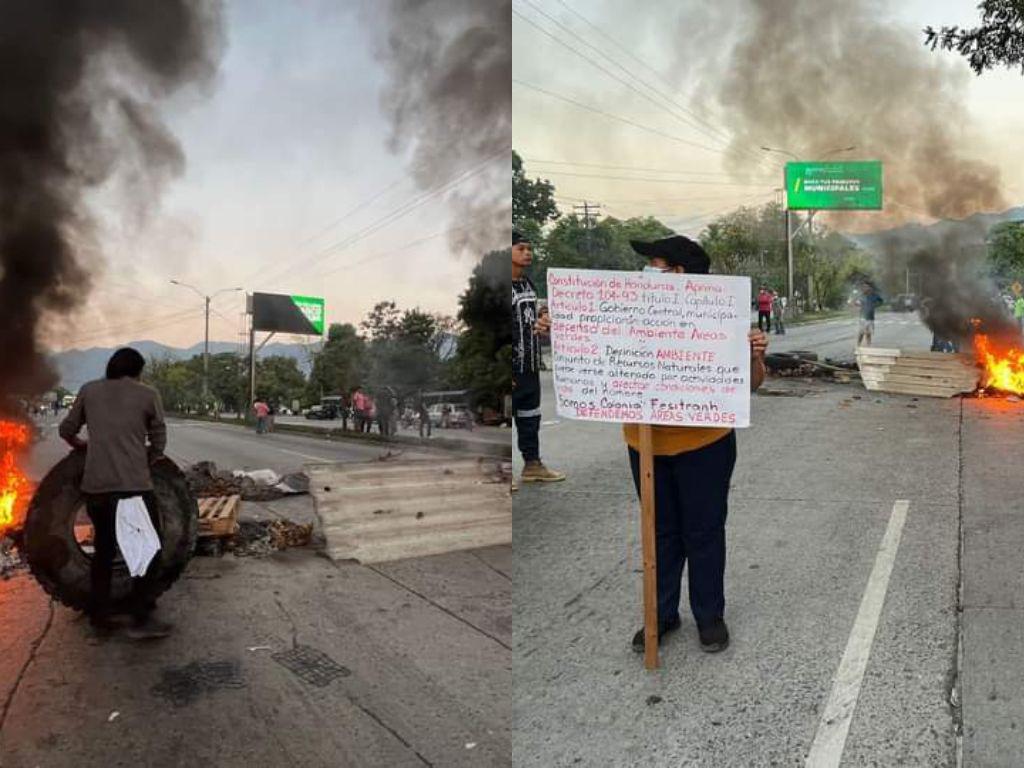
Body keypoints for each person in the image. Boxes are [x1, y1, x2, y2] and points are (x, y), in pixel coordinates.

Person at [625, 235, 769, 654]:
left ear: (679, 274)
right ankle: (662, 615)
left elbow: (752, 385)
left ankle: (709, 616)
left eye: (655, 264)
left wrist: (755, 355)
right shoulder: (631, 313)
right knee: (660, 532)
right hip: (645, 443)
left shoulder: (723, 318)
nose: (647, 272)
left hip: (705, 443)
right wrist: (553, 328)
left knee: (704, 532)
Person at [58, 347, 172, 639]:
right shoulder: (147, 394)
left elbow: (66, 428)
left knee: (104, 552)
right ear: (137, 370)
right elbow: (159, 437)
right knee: (147, 551)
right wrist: (148, 458)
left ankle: (99, 617)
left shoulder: (89, 390)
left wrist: (80, 444)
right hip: (132, 489)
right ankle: (140, 617)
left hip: (96, 489)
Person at [512, 230, 565, 489]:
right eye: (520, 248)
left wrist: (543, 322)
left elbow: (533, 319)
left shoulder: (527, 284)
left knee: (529, 415)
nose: (528, 253)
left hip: (530, 364)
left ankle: (532, 464)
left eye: (529, 248)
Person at [855, 281, 884, 348]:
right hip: (862, 317)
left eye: (866, 287)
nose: (864, 288)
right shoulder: (861, 296)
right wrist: (856, 304)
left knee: (869, 333)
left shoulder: (874, 296)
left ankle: (868, 346)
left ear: (870, 288)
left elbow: (881, 301)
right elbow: (856, 302)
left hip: (870, 317)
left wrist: (876, 305)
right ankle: (858, 345)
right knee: (861, 332)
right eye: (863, 287)